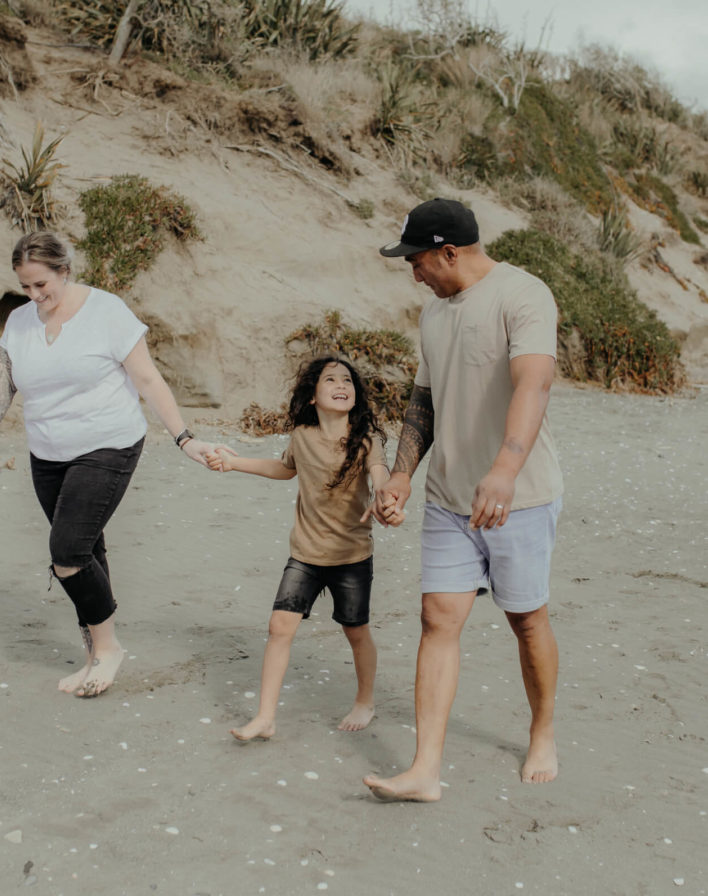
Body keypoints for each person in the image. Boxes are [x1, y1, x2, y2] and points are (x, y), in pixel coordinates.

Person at [0, 231, 231, 698]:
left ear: (64, 271)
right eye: (25, 287)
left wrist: (184, 439)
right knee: (89, 550)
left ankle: (108, 649)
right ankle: (94, 658)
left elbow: (148, 379)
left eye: (42, 285)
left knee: (67, 553)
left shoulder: (106, 312)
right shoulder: (19, 323)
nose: (35, 296)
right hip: (48, 455)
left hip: (108, 445)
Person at [363, 198, 564, 801]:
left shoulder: (523, 295)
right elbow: (423, 401)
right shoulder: (434, 313)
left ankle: (543, 730)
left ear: (450, 252)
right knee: (437, 619)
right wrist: (401, 476)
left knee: (526, 621)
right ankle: (425, 769)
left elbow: (535, 380)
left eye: (418, 260)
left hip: (519, 497)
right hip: (450, 498)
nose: (413, 272)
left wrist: (504, 470)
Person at [206, 356, 397, 740]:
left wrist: (385, 497)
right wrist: (234, 463)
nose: (341, 384)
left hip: (351, 556)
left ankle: (365, 700)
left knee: (355, 630)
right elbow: (285, 469)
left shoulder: (365, 440)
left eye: (347, 379)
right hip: (305, 554)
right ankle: (265, 717)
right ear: (312, 396)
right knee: (279, 627)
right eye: (330, 379)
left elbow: (380, 475)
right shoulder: (302, 437)